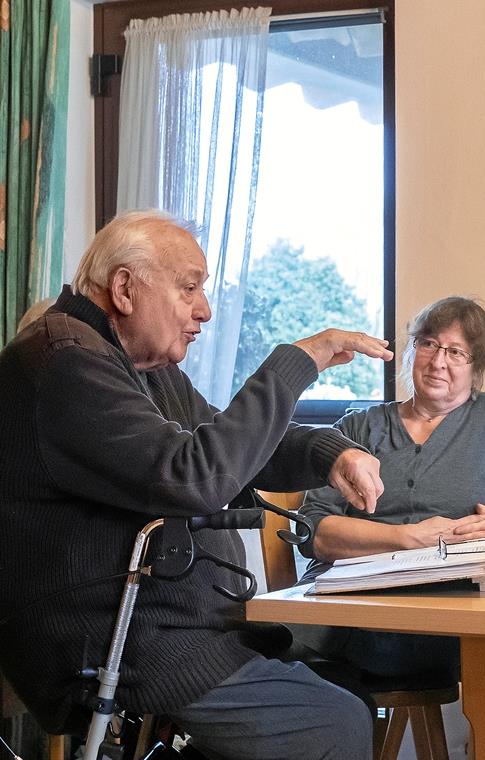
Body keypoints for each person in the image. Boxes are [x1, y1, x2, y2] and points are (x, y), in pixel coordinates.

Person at [0, 210, 394, 759]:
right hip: (115, 644)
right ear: (124, 288)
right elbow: (197, 475)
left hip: (173, 632)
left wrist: (331, 453)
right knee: (331, 721)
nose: (205, 311)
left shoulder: (139, 369)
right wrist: (297, 361)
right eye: (189, 289)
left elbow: (227, 445)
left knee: (345, 685)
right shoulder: (64, 364)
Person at [293, 296, 485, 681]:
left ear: (476, 368)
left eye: (456, 352)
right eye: (428, 344)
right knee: (279, 650)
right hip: (347, 609)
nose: (438, 361)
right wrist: (405, 538)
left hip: (450, 613)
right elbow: (312, 530)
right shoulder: (360, 427)